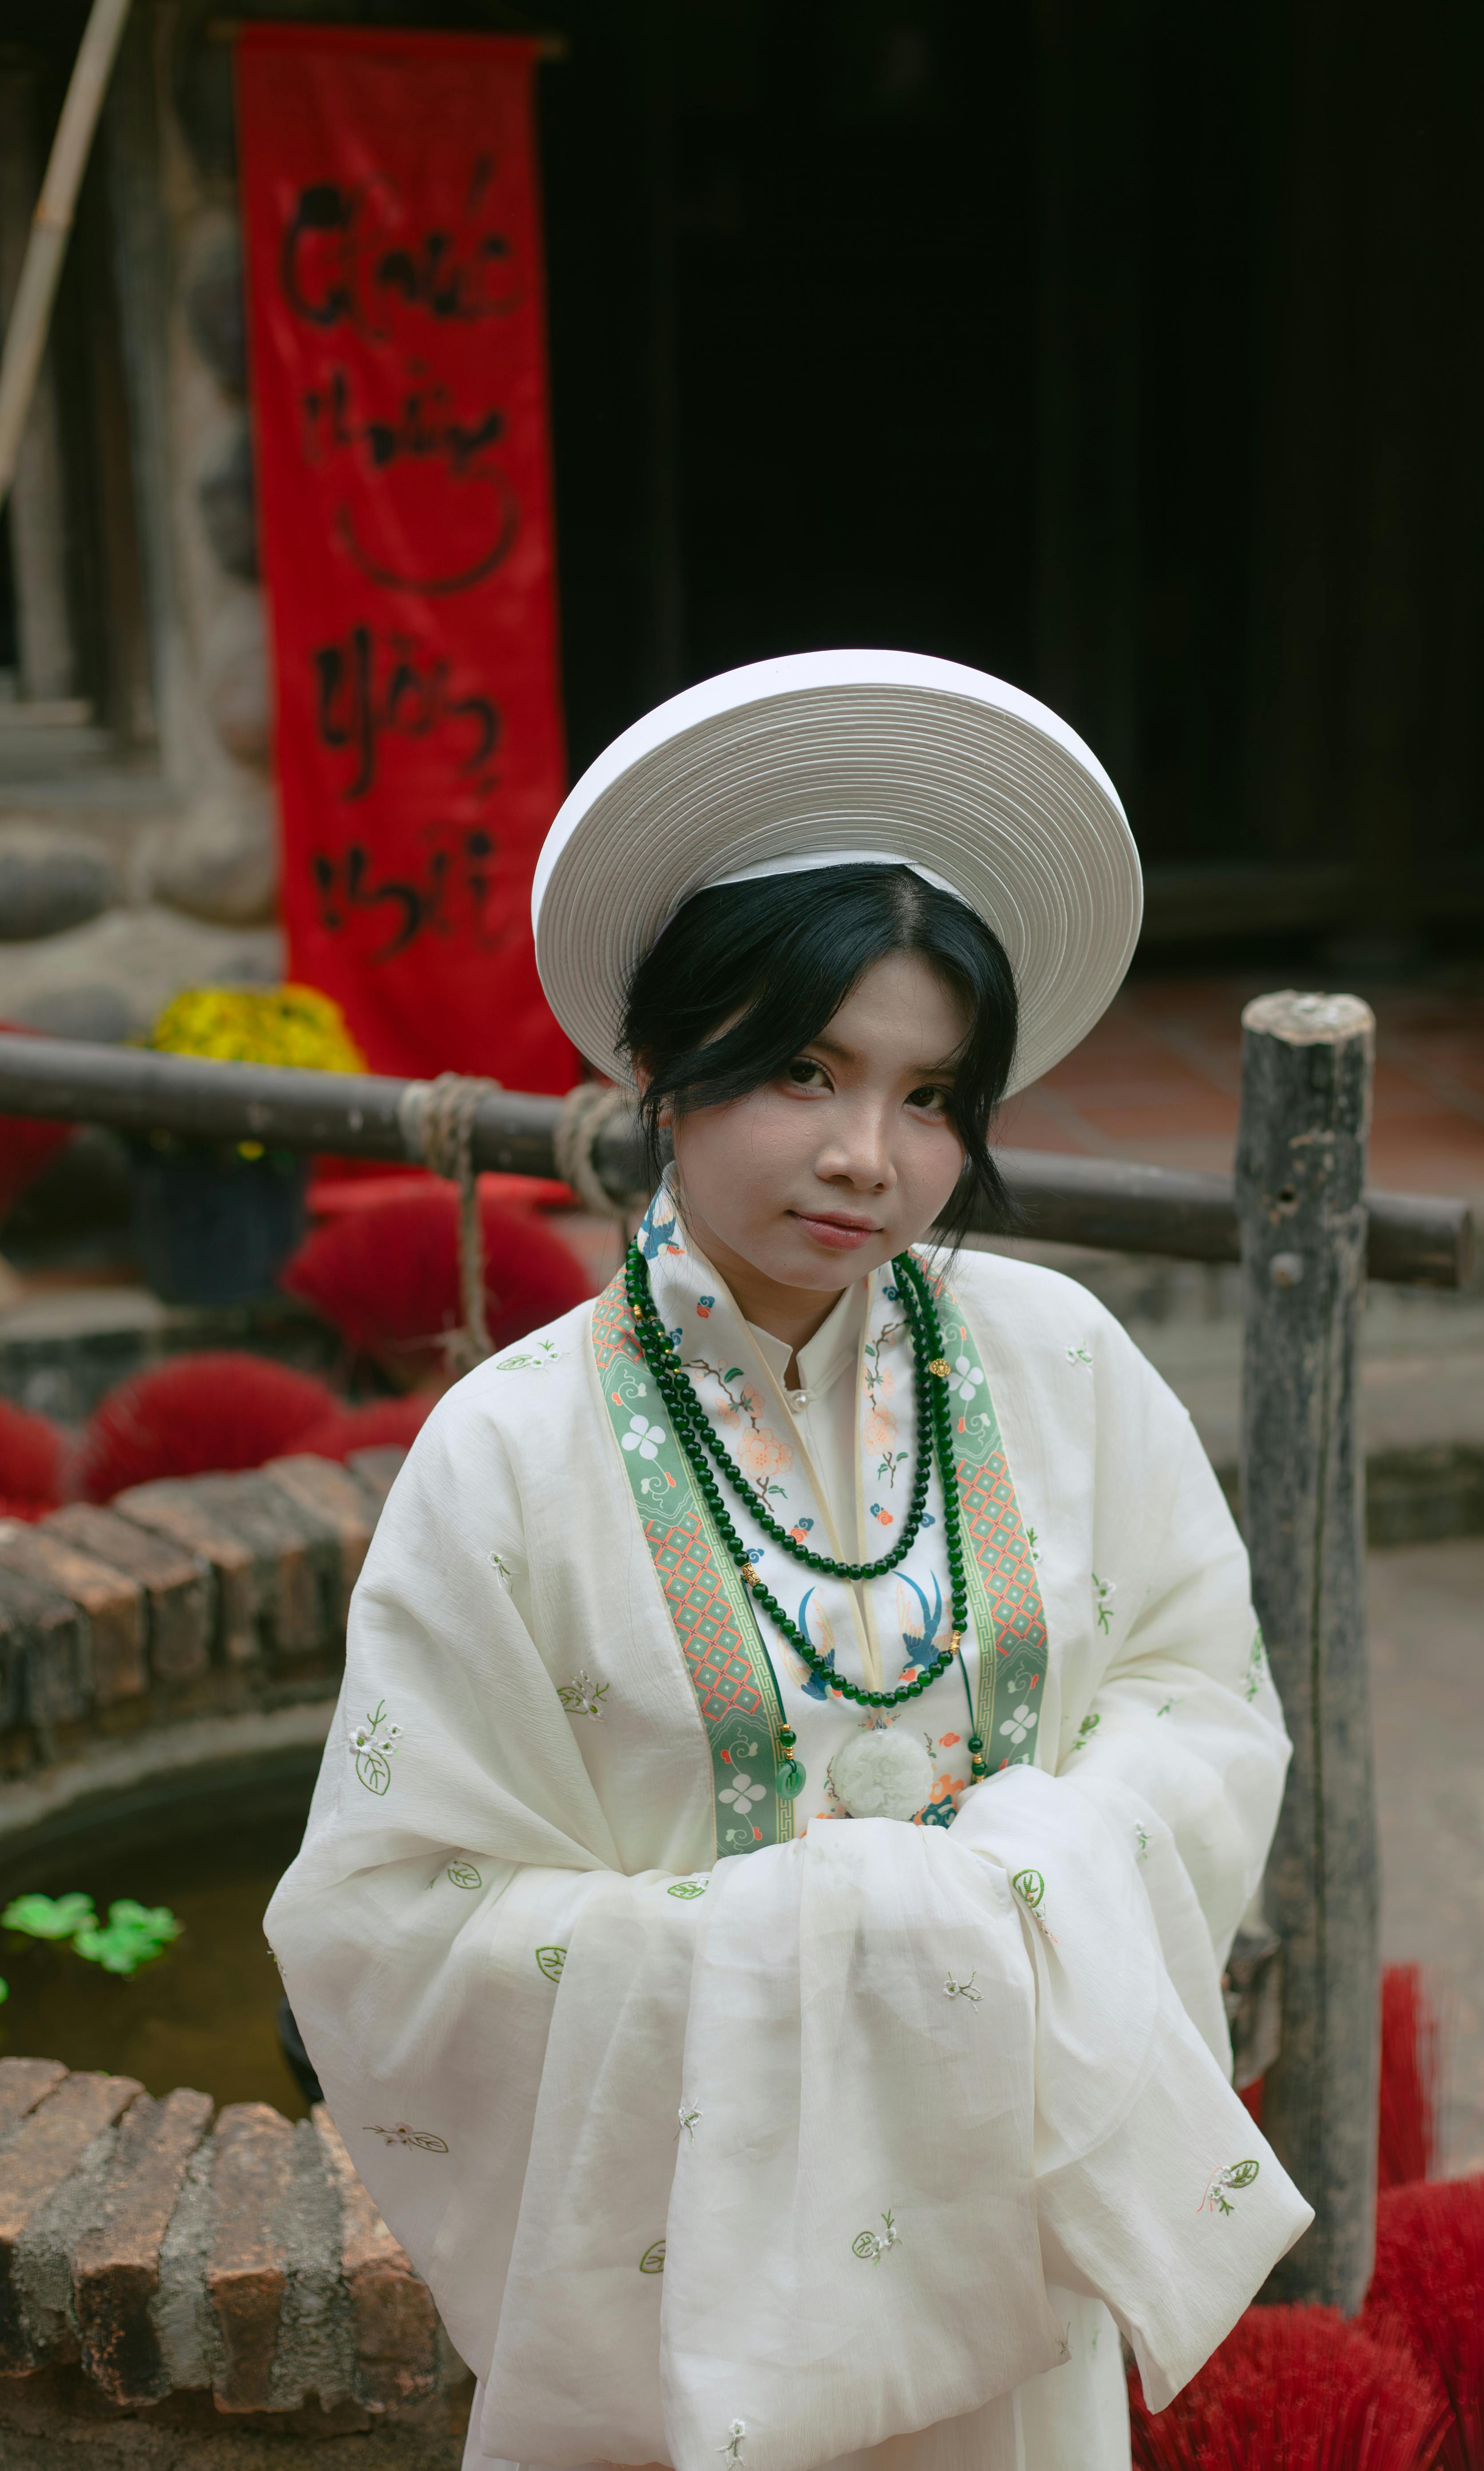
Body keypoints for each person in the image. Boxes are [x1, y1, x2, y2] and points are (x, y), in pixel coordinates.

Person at [267, 652, 1311, 2471]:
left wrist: (1006, 1886)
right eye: (807, 1072)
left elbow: (1202, 1704)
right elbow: (392, 1919)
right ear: (666, 1071)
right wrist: (817, 1935)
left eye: (928, 1095)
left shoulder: (1062, 1364)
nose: (868, 1158)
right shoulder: (511, 1452)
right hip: (685, 2291)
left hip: (1004, 2242)